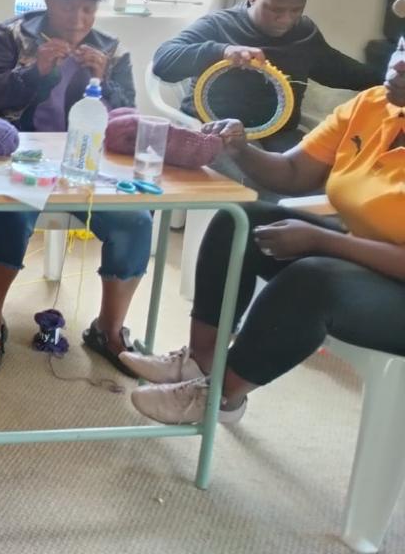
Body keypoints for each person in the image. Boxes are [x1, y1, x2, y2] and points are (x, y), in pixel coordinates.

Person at [124, 49, 405, 426]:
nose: (399, 63)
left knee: (313, 279)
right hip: (367, 256)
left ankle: (219, 397)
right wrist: (240, 148)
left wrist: (323, 241)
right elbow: (292, 172)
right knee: (241, 220)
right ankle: (199, 363)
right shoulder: (372, 104)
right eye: (402, 47)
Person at [0, 0, 151, 377]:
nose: (78, 19)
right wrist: (35, 72)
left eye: (89, 8)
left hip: (85, 166)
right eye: (69, 6)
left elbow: (127, 120)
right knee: (12, 208)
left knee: (136, 219)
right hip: (16, 159)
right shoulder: (11, 36)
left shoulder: (111, 50)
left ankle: (108, 329)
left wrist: (107, 82)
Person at [151, 0, 379, 153]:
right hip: (215, 132)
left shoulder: (304, 33)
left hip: (279, 137)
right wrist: (222, 50)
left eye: (296, 10)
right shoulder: (219, 25)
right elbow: (163, 62)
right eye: (275, 10)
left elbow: (340, 70)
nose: (286, 19)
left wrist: (390, 77)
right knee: (243, 184)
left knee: (320, 178)